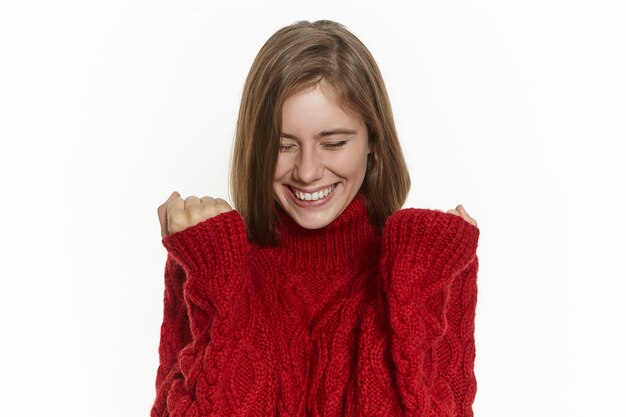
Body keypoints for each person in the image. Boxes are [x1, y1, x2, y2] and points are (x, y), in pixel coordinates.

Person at [152, 19, 480, 417]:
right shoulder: (212, 260)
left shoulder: (429, 267)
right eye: (283, 145)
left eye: (334, 143)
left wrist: (411, 287)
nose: (307, 172)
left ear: (374, 139)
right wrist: (222, 284)